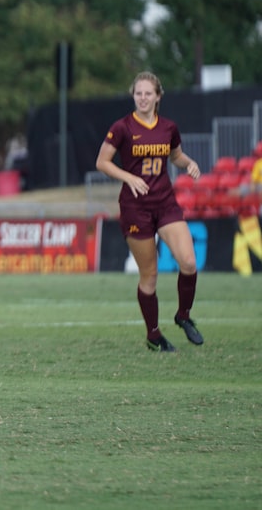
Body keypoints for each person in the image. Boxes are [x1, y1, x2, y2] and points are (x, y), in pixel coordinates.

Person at [95, 71, 203, 352]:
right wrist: (128, 177)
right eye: (138, 93)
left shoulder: (168, 127)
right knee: (150, 276)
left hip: (165, 203)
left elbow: (175, 156)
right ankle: (153, 335)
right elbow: (102, 162)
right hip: (135, 208)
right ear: (134, 96)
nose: (142, 98)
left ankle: (183, 316)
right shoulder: (122, 127)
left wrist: (189, 163)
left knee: (189, 263)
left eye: (148, 93)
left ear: (158, 97)